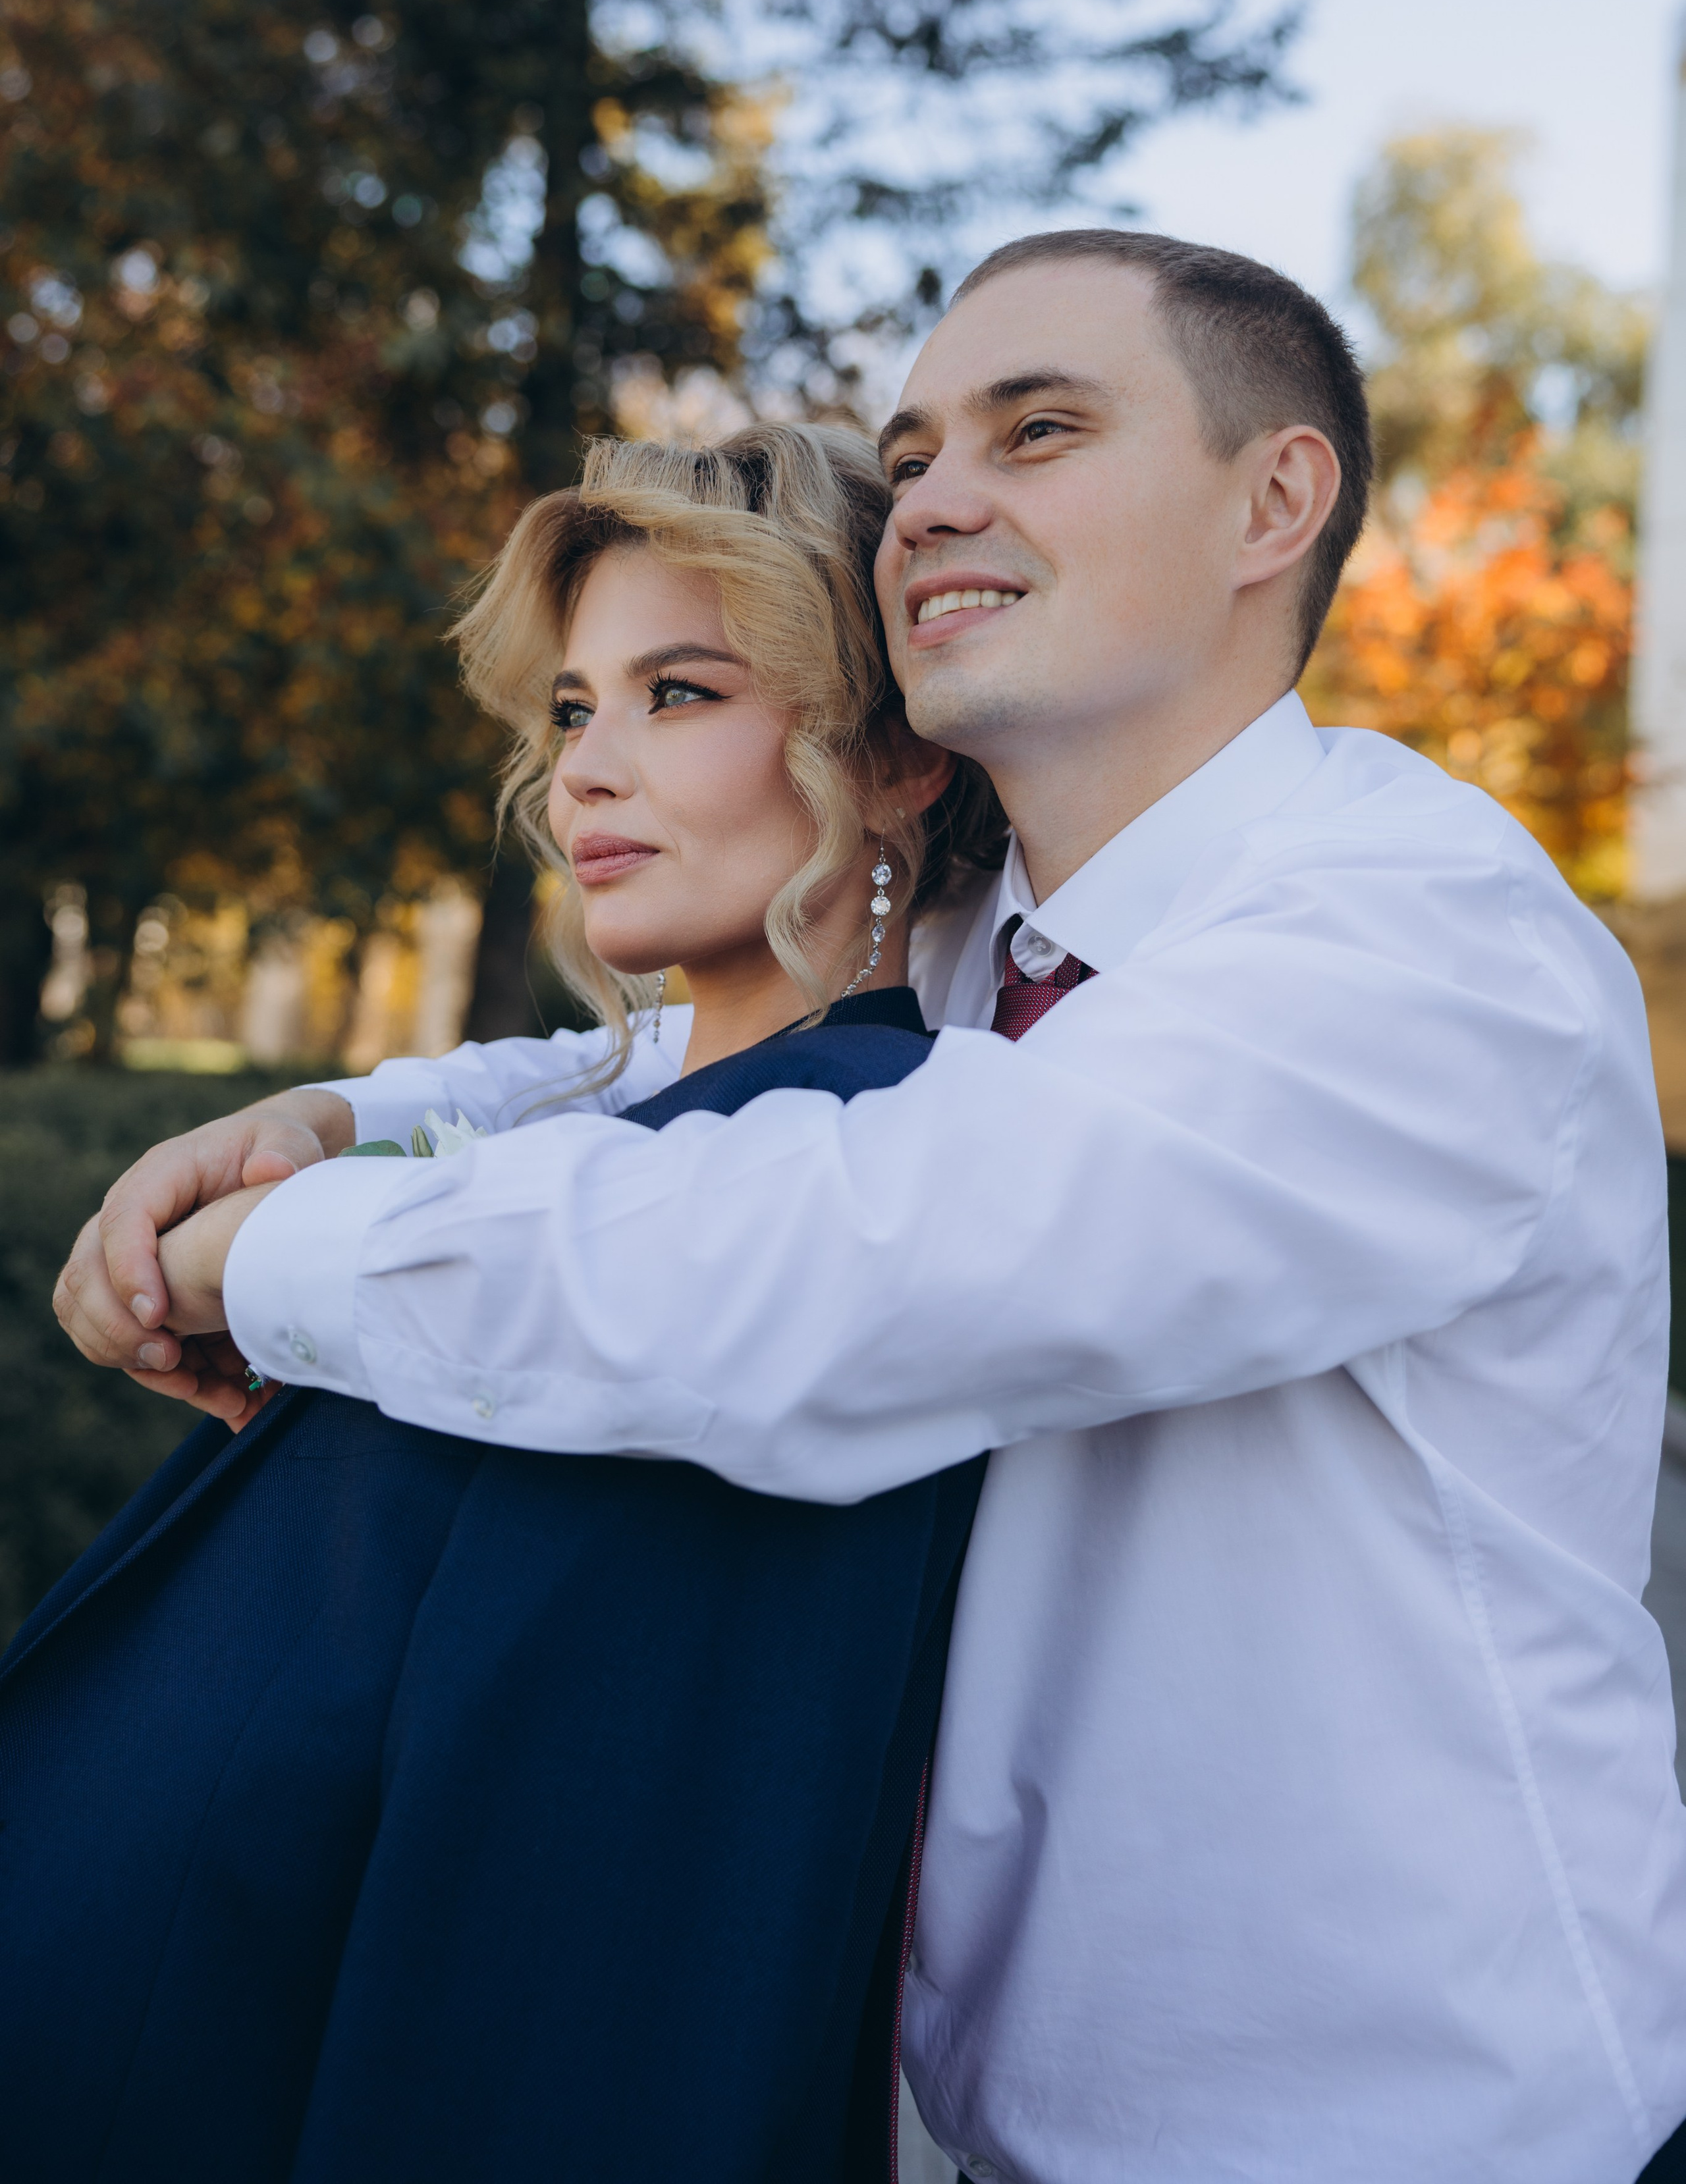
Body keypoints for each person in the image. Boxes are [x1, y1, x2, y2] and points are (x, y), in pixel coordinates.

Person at [62, 231, 1686, 2184]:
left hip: (1417, 2134)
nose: (938, 503)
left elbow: (849, 1260)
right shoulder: (999, 953)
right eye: (913, 458)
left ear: (1278, 499)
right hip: (1007, 2133)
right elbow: (681, 1067)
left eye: (1042, 429)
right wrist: (340, 1115)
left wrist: (280, 1256)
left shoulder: (1425, 941)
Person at [7, 423, 1002, 2184]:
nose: (585, 774)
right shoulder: (627, 1128)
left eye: (678, 693)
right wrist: (333, 1123)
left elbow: (601, 1936)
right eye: (569, 709)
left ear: (896, 756)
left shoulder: (811, 1205)